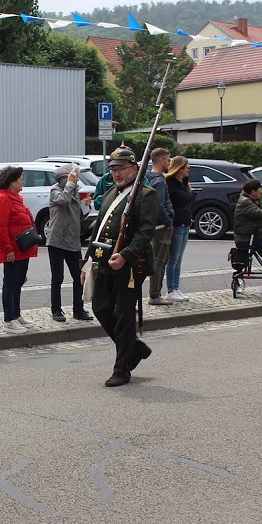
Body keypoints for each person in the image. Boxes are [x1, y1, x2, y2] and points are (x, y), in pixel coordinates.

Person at [82, 145, 159, 387]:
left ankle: (122, 369)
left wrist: (126, 254)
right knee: (101, 308)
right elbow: (98, 229)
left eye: (122, 169)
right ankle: (134, 348)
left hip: (130, 265)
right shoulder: (110, 194)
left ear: (134, 169)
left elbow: (145, 231)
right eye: (114, 169)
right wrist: (87, 260)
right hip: (104, 260)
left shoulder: (146, 195)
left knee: (125, 317)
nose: (116, 173)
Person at [0, 165, 38, 334]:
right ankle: (8, 319)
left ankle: (16, 315)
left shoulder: (16, 197)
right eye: (20, 179)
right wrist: (7, 249)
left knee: (18, 282)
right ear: (11, 182)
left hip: (22, 248)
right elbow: (0, 227)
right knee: (10, 283)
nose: (22, 181)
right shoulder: (3, 199)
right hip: (13, 249)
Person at [47, 164, 94, 322]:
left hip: (73, 240)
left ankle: (78, 309)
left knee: (78, 276)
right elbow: (64, 201)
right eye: (75, 176)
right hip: (57, 240)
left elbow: (77, 217)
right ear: (66, 178)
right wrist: (70, 183)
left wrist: (86, 206)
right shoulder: (56, 191)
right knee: (57, 277)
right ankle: (56, 310)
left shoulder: (73, 192)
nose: (78, 179)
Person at [146, 148, 175, 306]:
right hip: (160, 227)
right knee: (159, 260)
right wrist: (168, 222)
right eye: (168, 160)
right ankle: (155, 295)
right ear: (162, 160)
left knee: (154, 259)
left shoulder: (147, 178)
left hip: (151, 226)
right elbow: (159, 205)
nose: (169, 163)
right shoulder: (159, 181)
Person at [164, 156, 195, 301]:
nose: (189, 169)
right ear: (179, 168)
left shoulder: (184, 182)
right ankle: (171, 289)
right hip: (176, 225)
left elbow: (187, 203)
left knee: (179, 258)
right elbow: (169, 204)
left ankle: (176, 287)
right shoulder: (169, 183)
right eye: (186, 167)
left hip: (186, 223)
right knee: (173, 258)